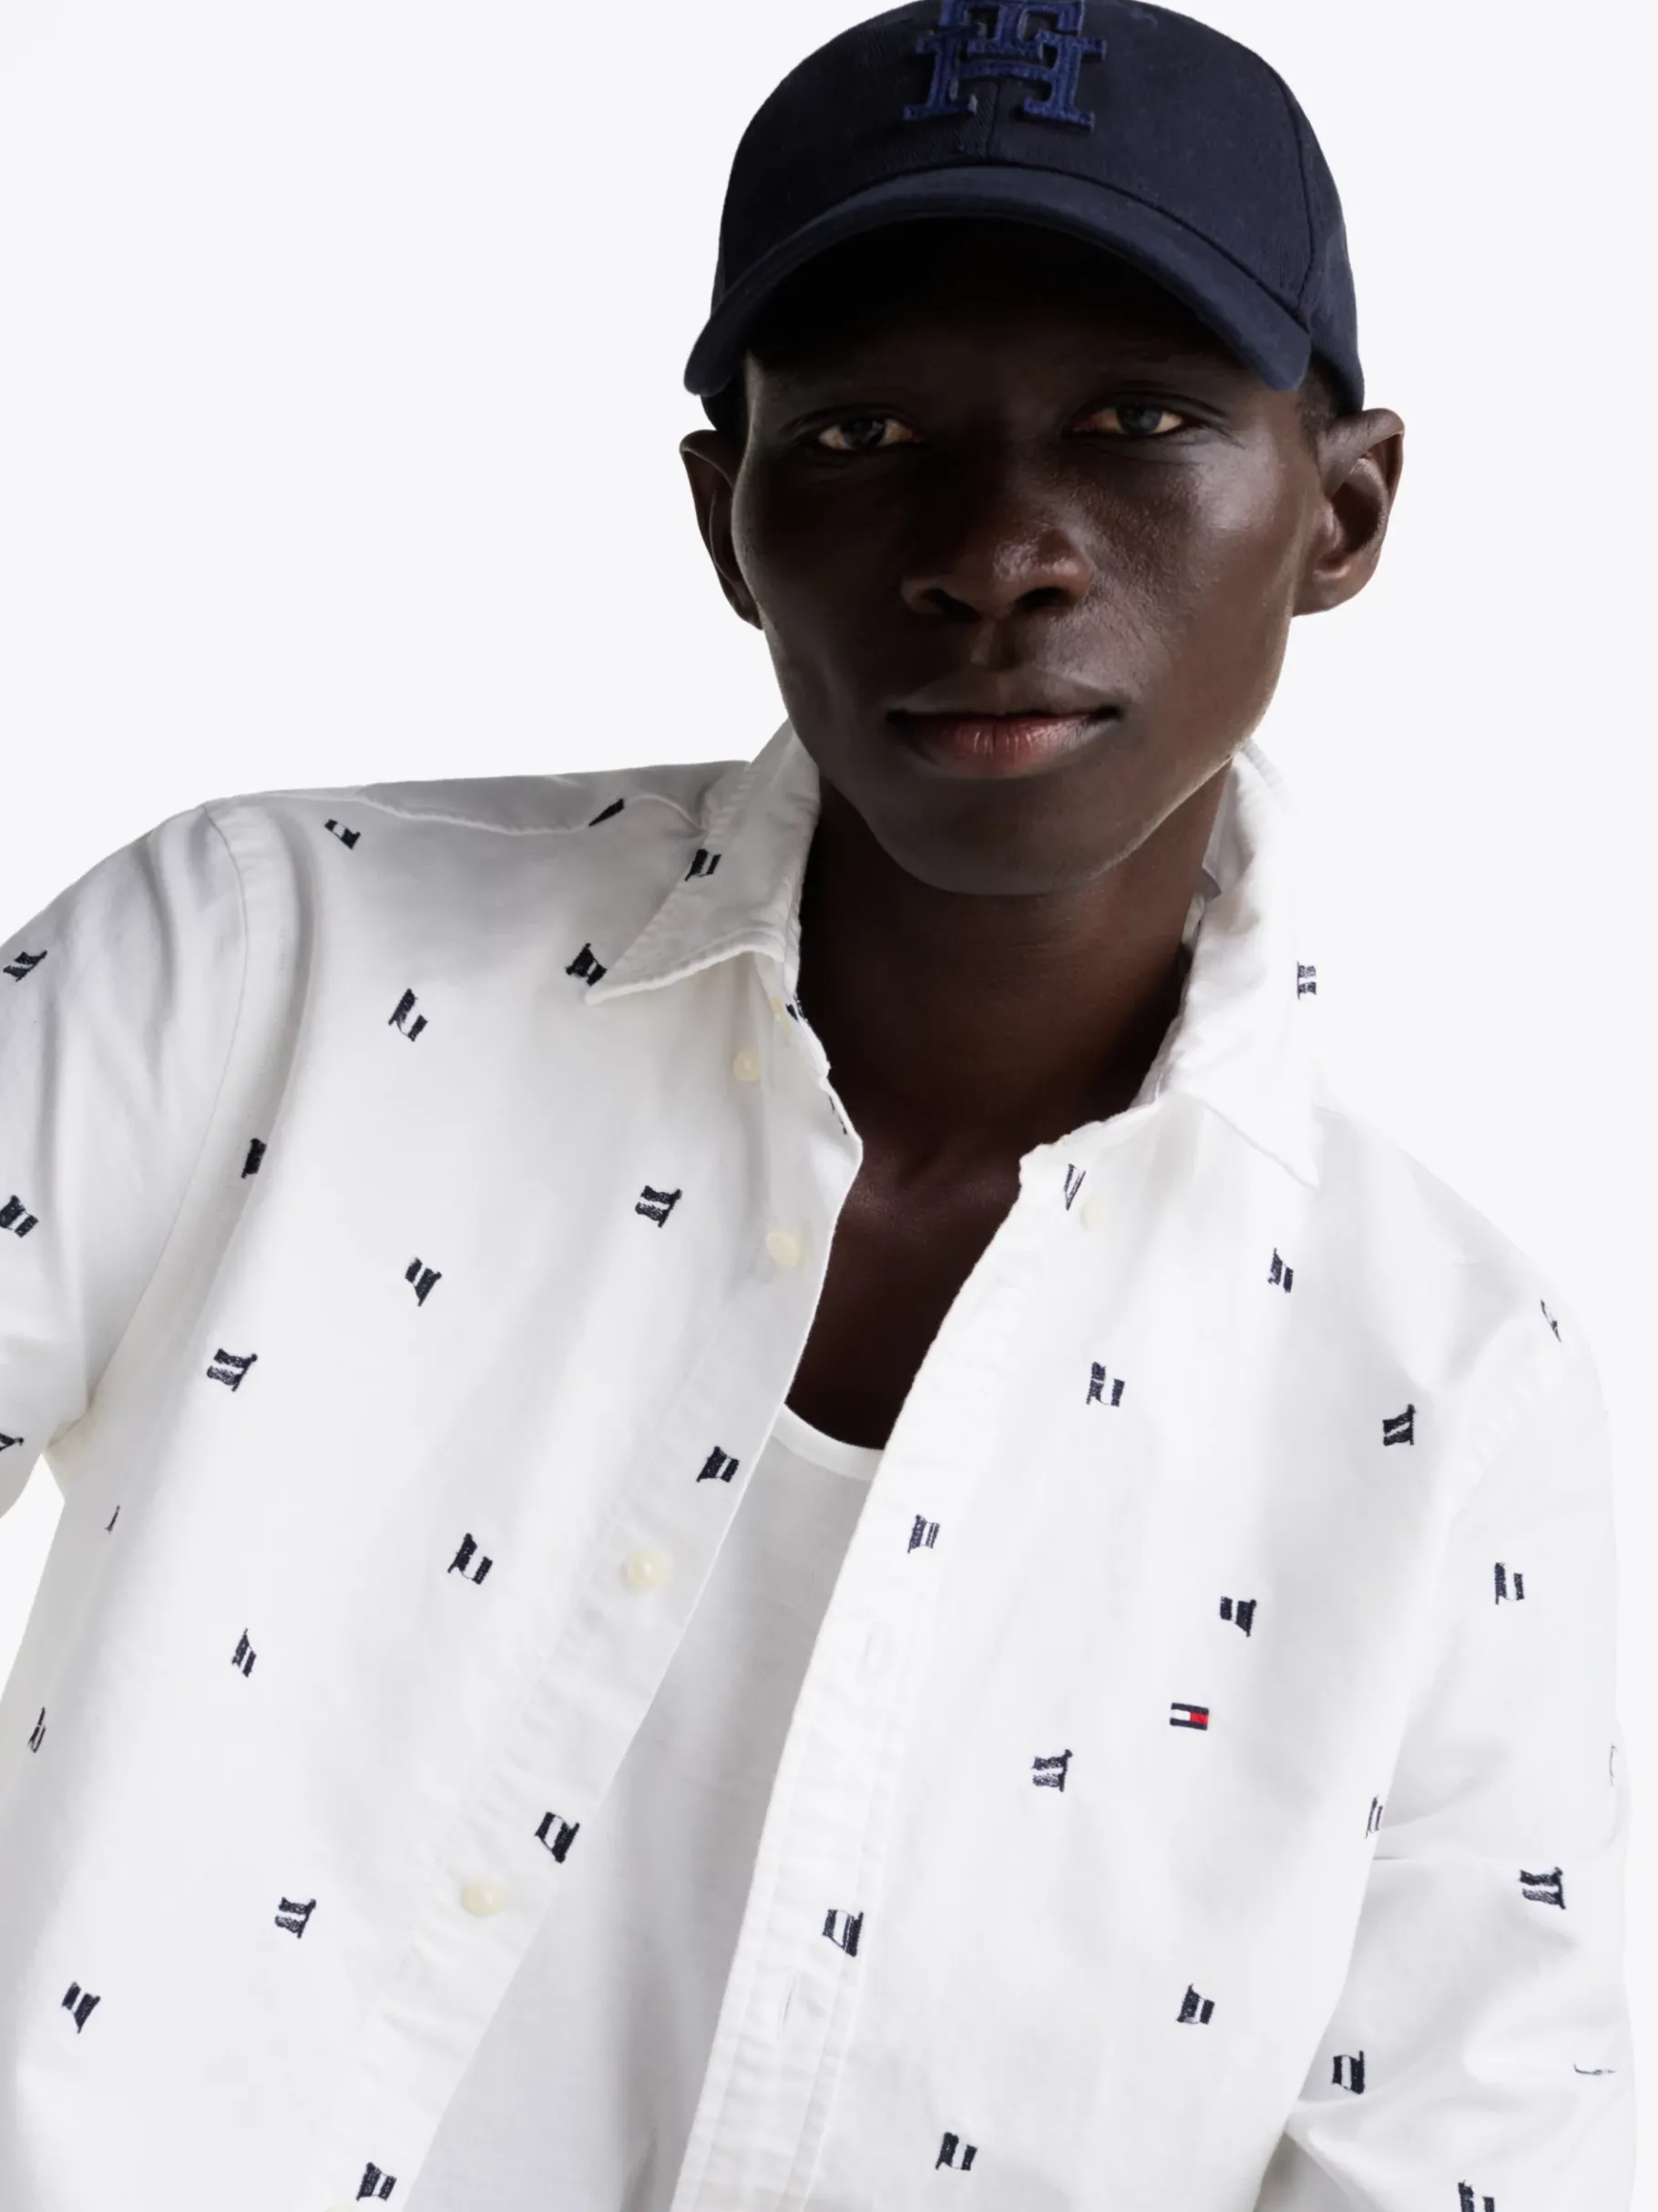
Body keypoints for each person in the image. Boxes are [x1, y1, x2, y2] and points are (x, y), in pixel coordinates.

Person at [0, 3, 1632, 2207]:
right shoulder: (255, 968)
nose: (998, 549)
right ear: (726, 517)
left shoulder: (1450, 1396)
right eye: (863, 432)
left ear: (1339, 512)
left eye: (1137, 422)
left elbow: (1468, 2145)